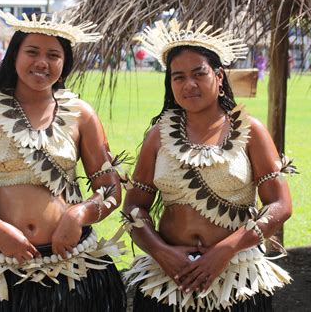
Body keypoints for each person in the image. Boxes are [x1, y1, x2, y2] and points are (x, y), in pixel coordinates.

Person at [0, 7, 126, 311]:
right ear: (14, 56)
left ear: (64, 64)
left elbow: (111, 190)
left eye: (53, 55)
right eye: (32, 52)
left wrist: (78, 216)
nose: (42, 62)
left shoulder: (82, 115)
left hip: (73, 267)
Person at [122, 19, 296, 311]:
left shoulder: (250, 130)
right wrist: (161, 251)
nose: (189, 84)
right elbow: (133, 207)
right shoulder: (158, 136)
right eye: (178, 77)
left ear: (218, 75)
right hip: (170, 278)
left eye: (198, 73)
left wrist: (227, 249)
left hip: (236, 276)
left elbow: (281, 204)